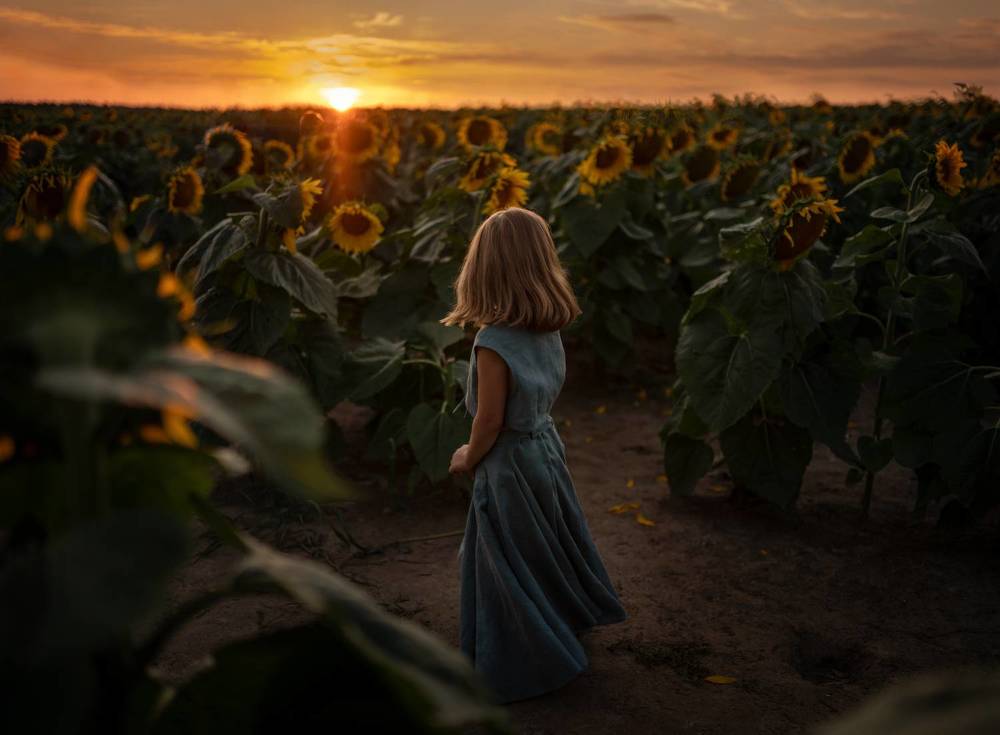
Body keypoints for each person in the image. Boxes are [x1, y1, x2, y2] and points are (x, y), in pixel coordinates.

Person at [441, 206, 628, 704]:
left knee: (505, 560)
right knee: (544, 544)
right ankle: (563, 622)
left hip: (506, 465)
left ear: (482, 269)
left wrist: (467, 456)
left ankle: (528, 659)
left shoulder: (492, 342)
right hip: (545, 451)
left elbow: (490, 419)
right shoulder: (548, 328)